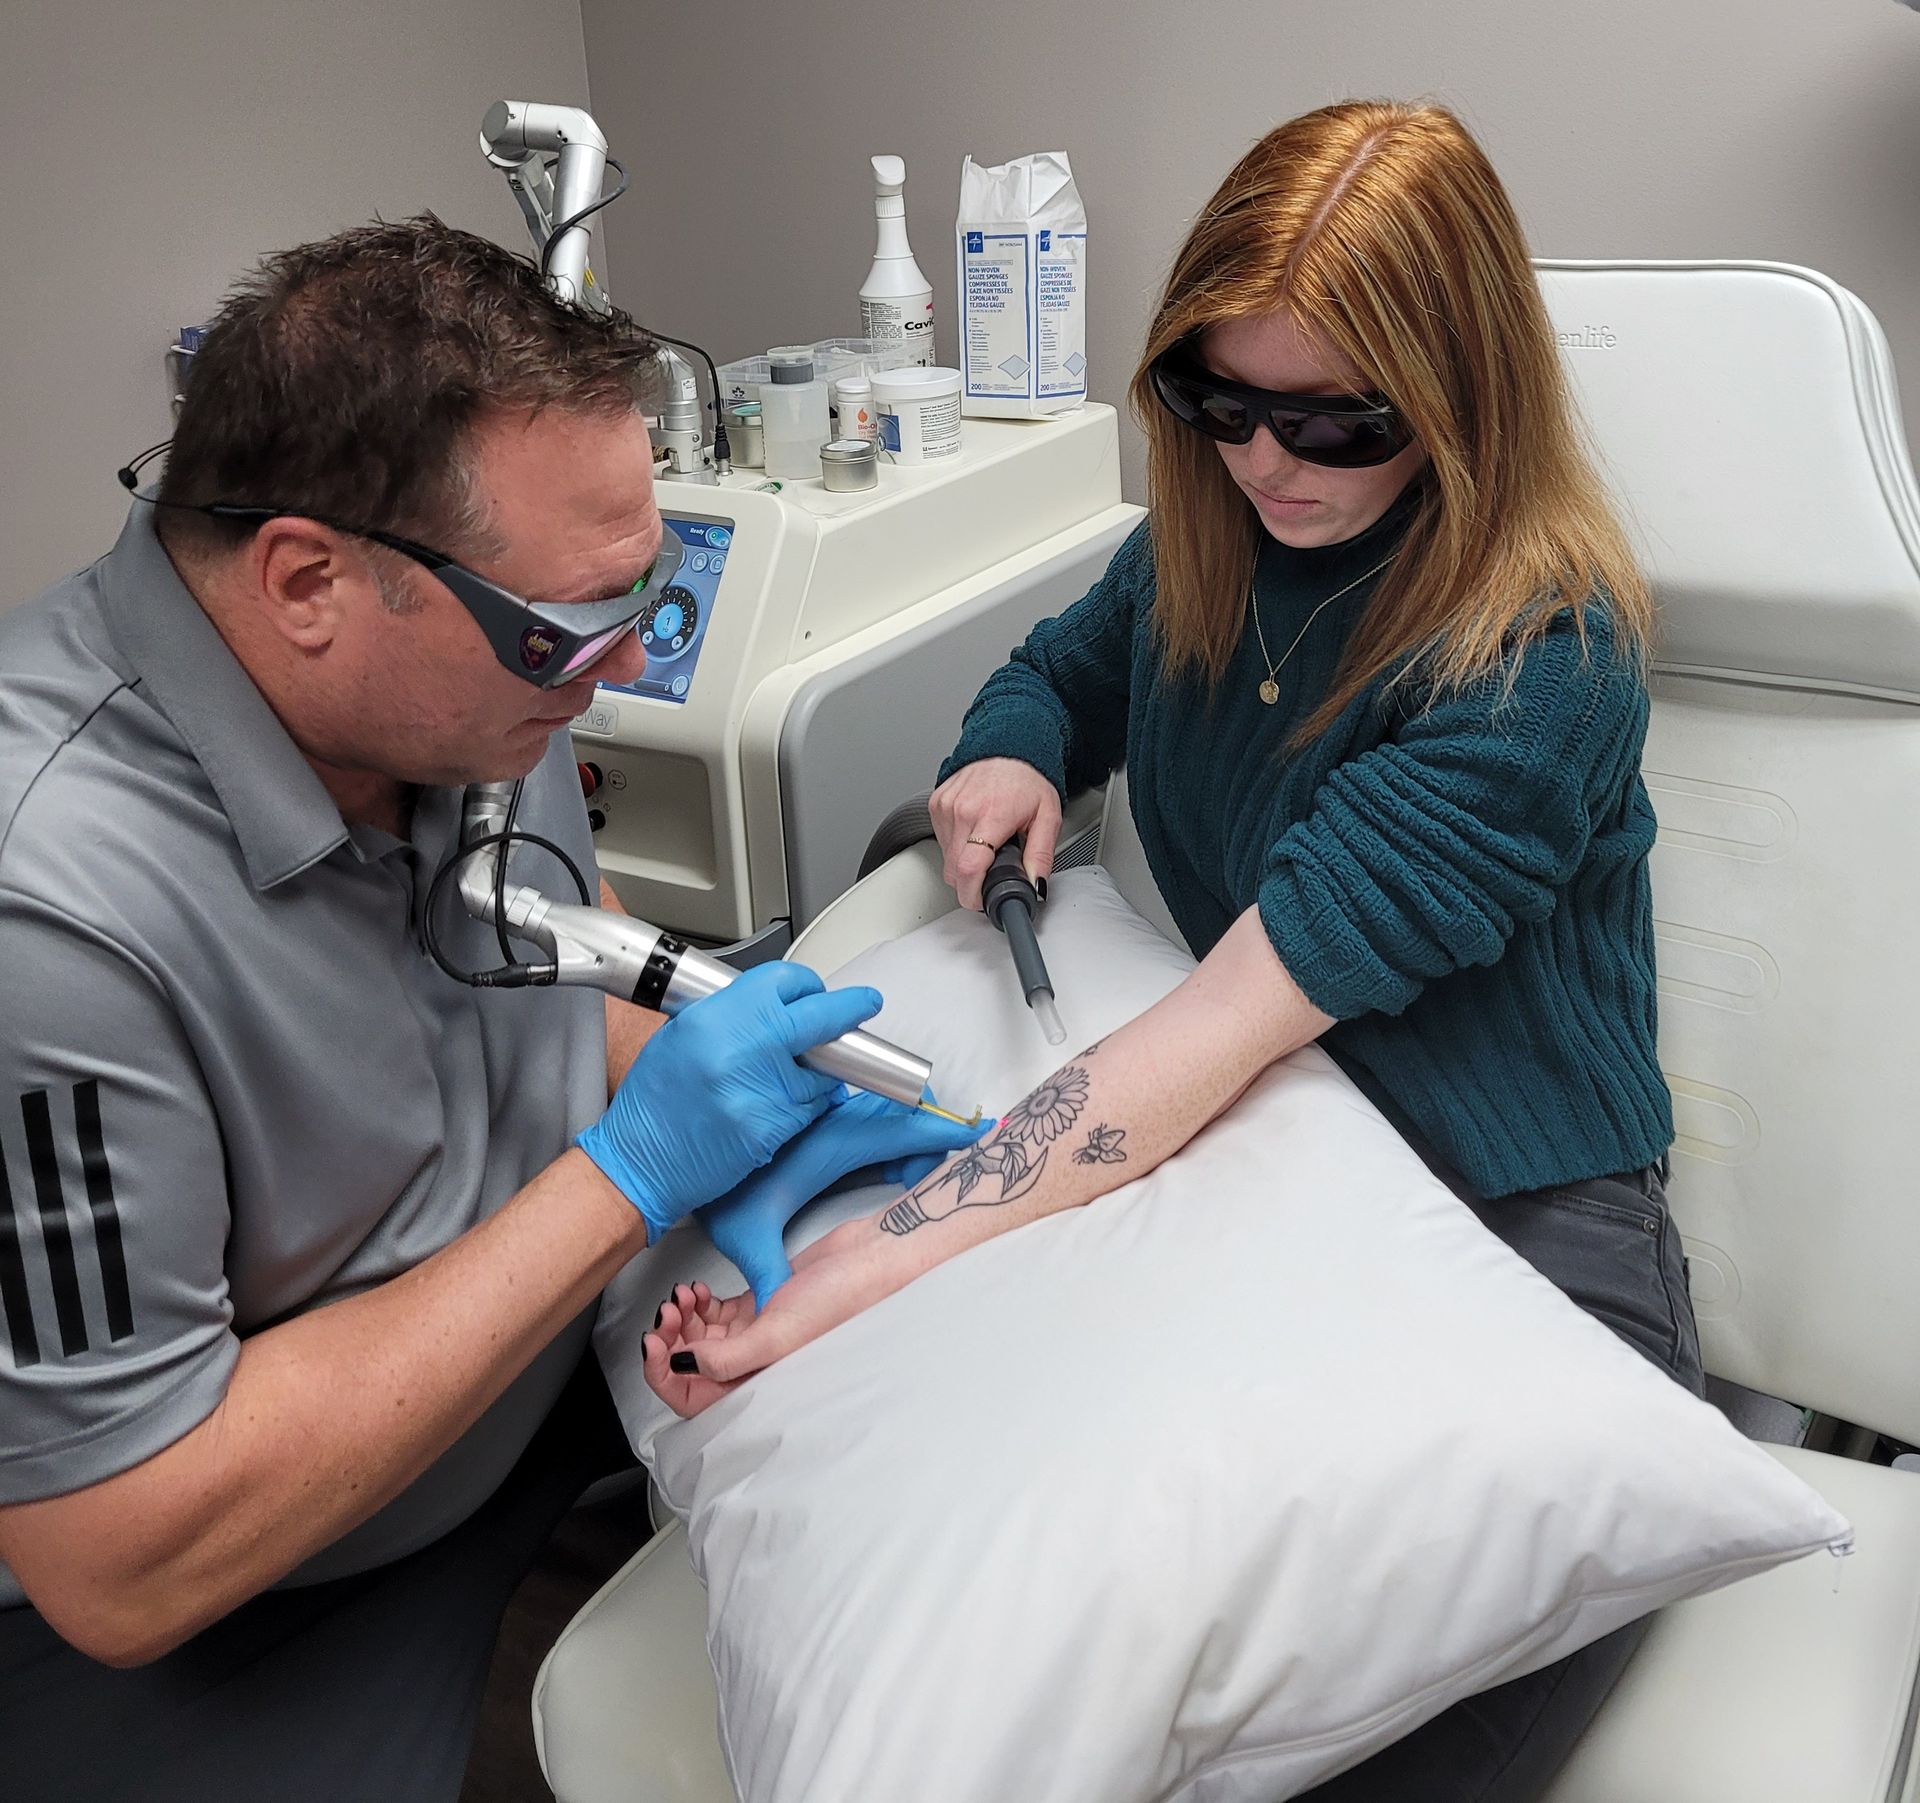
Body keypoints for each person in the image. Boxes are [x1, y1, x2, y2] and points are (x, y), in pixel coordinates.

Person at [644, 100, 1702, 1800]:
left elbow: (1215, 1028)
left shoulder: (1539, 665)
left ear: (1458, 398)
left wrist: (854, 1274)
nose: (1266, 463)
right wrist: (1011, 748)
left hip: (1518, 1236)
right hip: (1254, 1161)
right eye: (1217, 403)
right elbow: (1061, 672)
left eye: (1332, 422)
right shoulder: (1208, 544)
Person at [0, 216, 978, 1803]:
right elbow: (122, 1554)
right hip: (262, 1593)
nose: (609, 670)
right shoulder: (48, 918)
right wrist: (631, 1177)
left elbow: (523, 964)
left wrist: (721, 1081)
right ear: (309, 580)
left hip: (541, 1384)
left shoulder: (465, 692)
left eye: (641, 598)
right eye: (567, 631)